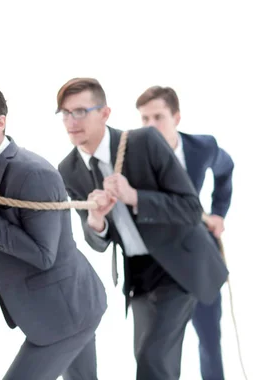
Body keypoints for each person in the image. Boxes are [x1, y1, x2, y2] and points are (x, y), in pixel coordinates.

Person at [56, 77, 228, 380]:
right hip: (138, 274)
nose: (72, 121)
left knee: (154, 359)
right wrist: (96, 220)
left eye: (81, 111)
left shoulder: (145, 142)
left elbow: (189, 208)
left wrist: (134, 197)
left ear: (105, 113)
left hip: (180, 267)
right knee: (149, 359)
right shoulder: (68, 169)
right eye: (65, 113)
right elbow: (97, 240)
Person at [0, 81, 107, 380]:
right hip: (62, 305)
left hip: (66, 311)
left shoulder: (35, 174)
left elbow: (43, 254)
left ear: (0, 123)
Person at [137, 85, 234, 380]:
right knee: (157, 351)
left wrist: (218, 212)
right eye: (144, 119)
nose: (150, 126)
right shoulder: (133, 154)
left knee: (209, 338)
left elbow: (226, 168)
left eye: (158, 117)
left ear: (176, 117)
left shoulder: (201, 147)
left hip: (200, 255)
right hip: (158, 265)